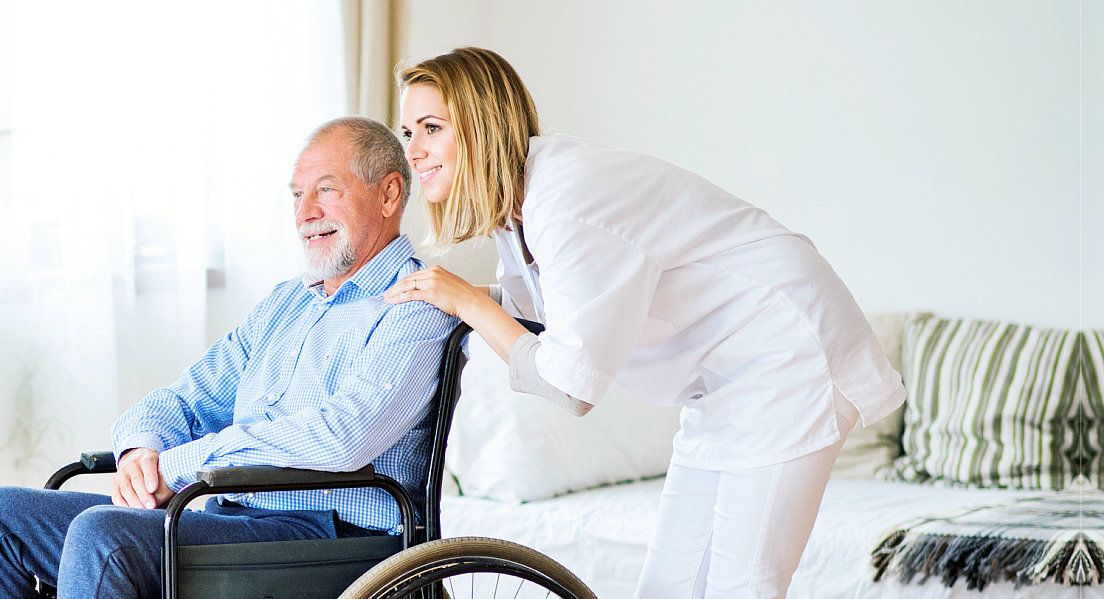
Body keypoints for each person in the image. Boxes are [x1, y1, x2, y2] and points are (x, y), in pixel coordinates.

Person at [380, 47, 906, 598]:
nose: (412, 151)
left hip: (789, 355)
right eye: (407, 131)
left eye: (430, 128)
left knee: (742, 585)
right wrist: (455, 298)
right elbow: (540, 304)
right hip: (725, 378)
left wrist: (468, 303)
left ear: (482, 126)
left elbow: (570, 384)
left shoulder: (563, 198)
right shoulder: (521, 204)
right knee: (668, 585)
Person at [0, 117, 456, 599]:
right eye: (297, 196)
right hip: (228, 517)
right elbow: (189, 399)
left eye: (326, 190)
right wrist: (142, 455)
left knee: (104, 534)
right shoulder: (287, 302)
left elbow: (343, 436)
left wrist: (184, 466)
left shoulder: (417, 303)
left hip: (332, 537)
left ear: (389, 194)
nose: (305, 214)